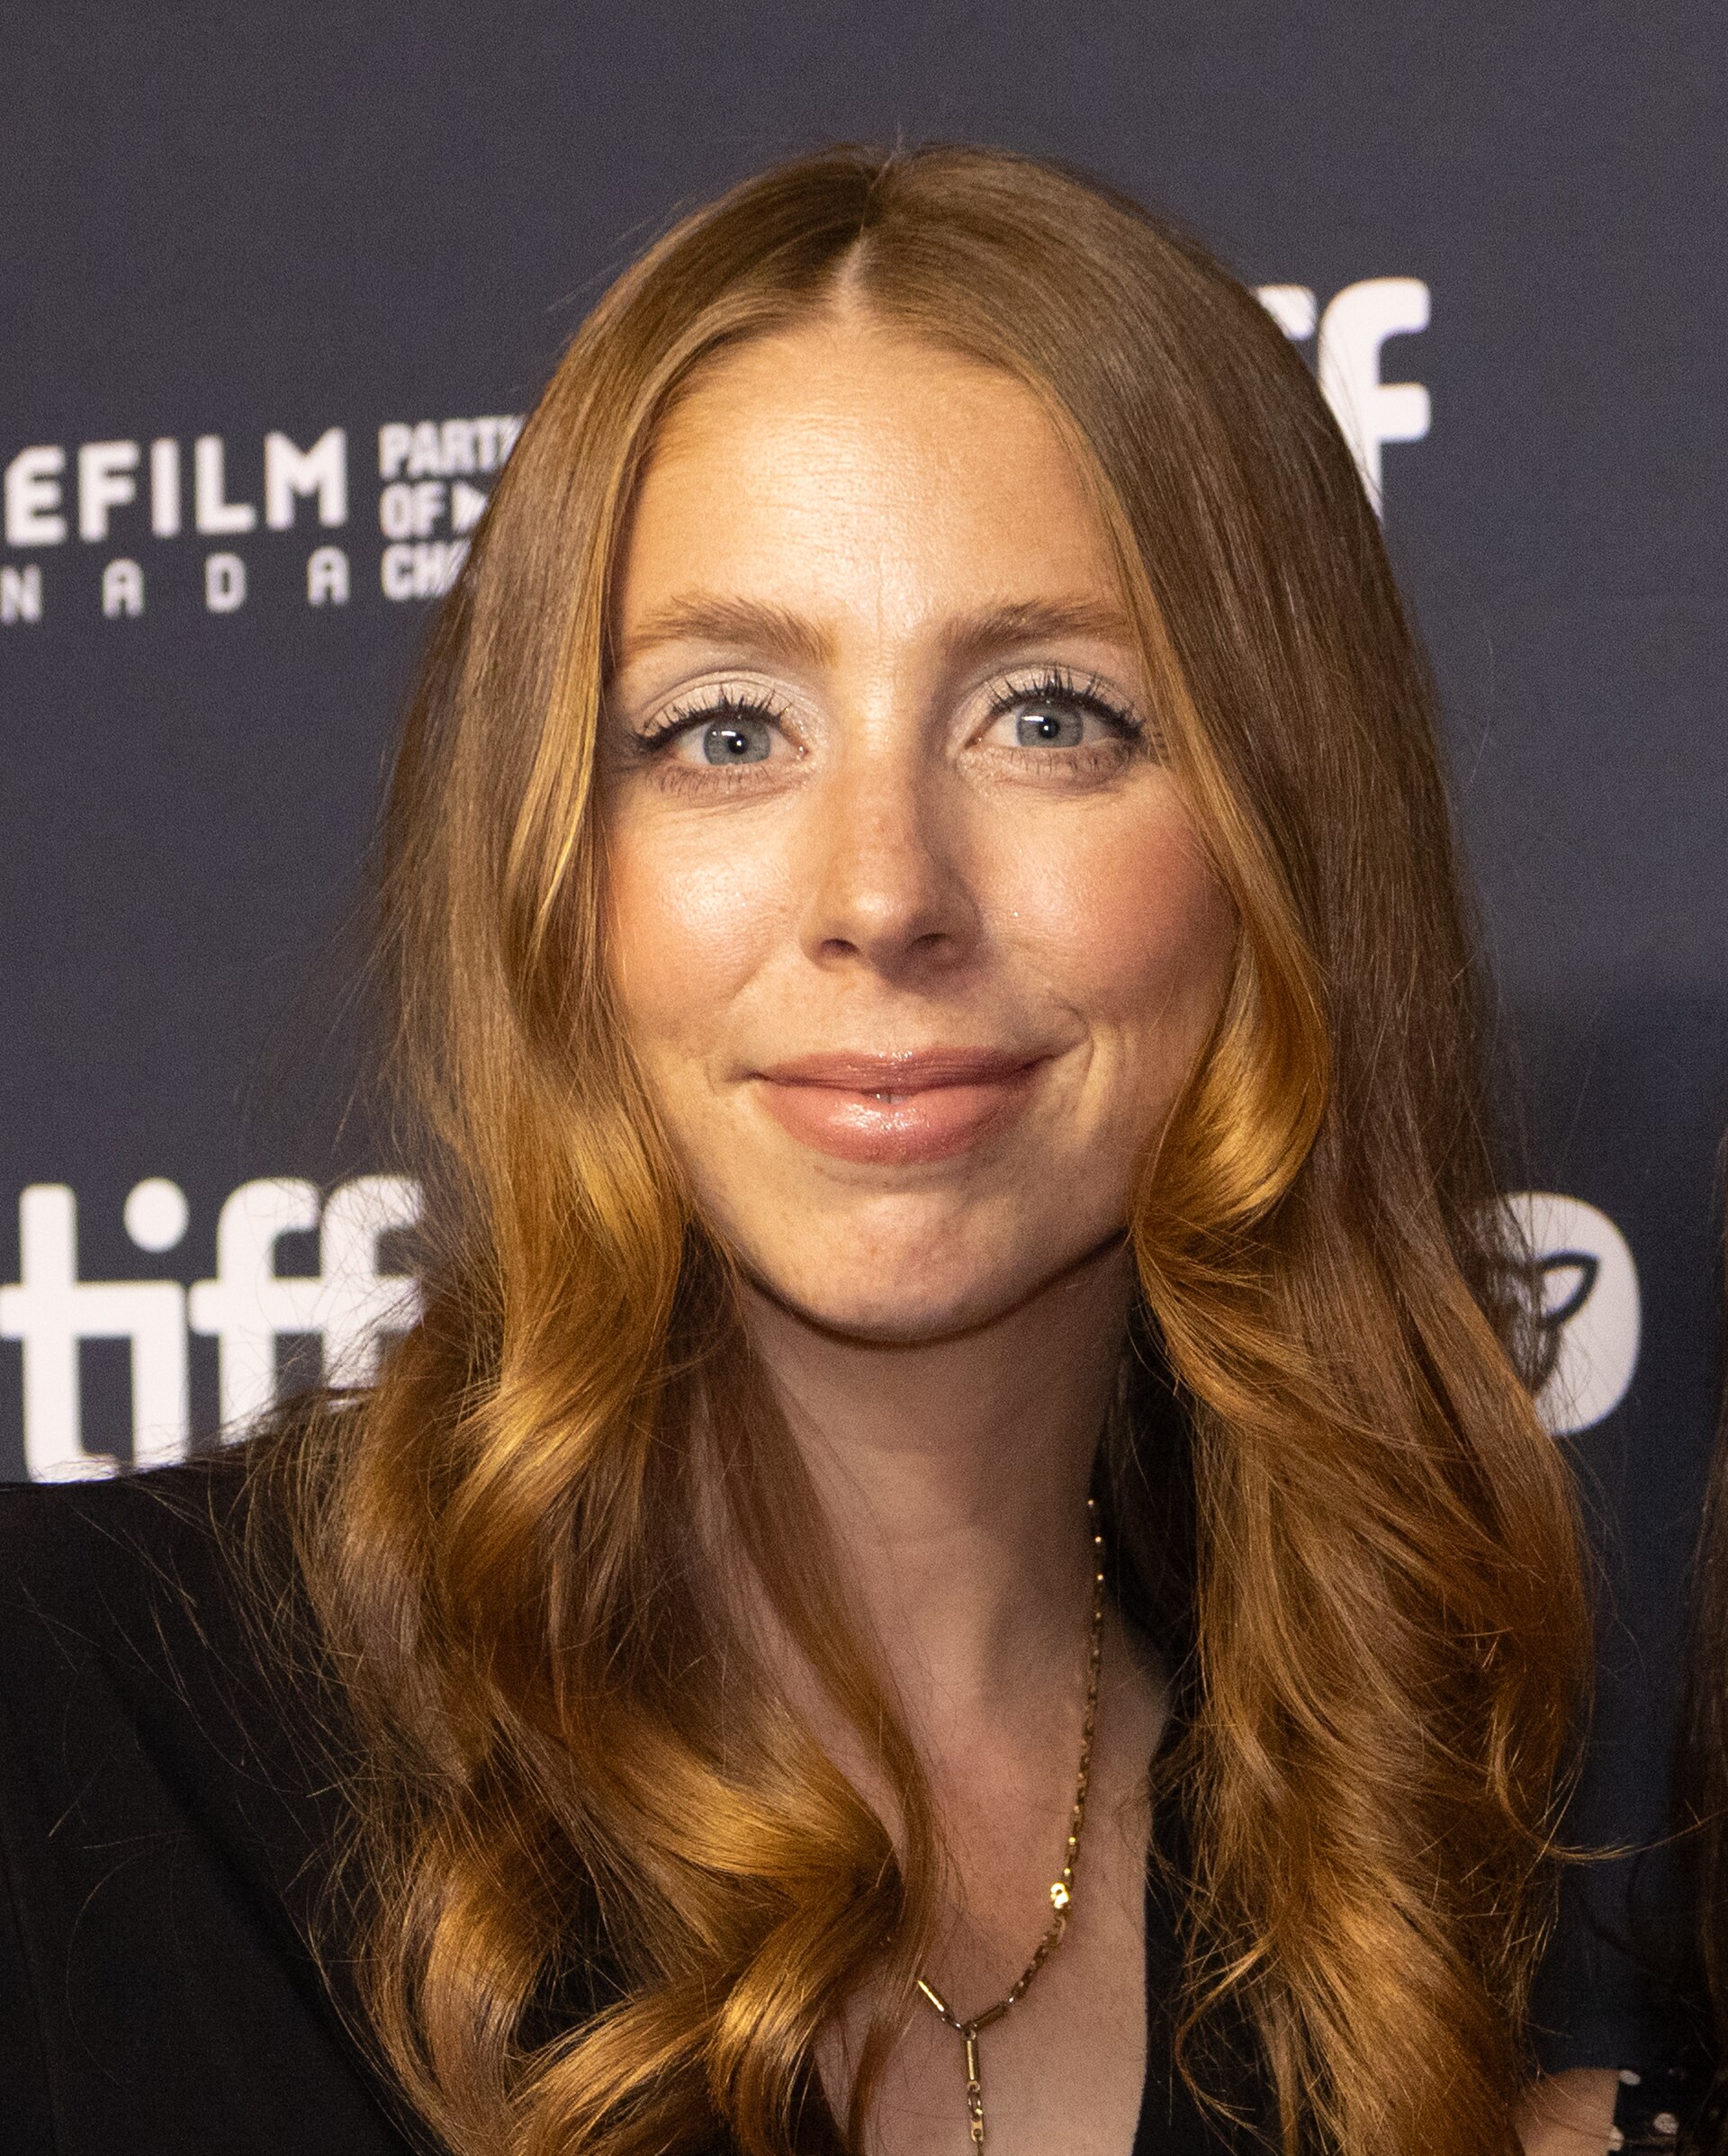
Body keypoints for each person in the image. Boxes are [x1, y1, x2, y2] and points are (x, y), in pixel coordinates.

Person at [0, 144, 1592, 2156]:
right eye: (727, 729)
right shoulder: (78, 1733)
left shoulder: (1375, 1844)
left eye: (1050, 714)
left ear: (1283, 836)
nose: (883, 892)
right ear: (559, 863)